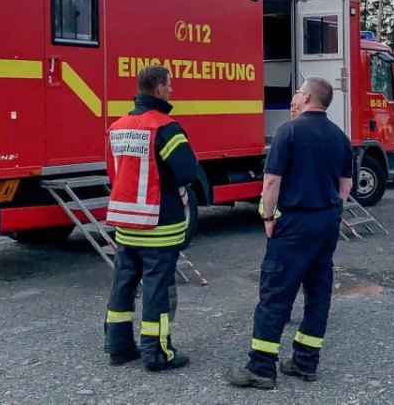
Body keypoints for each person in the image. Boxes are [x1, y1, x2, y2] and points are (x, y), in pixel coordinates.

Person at [226, 77, 355, 390]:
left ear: (307, 96)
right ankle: (305, 361)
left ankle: (260, 367)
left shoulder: (289, 130)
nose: (295, 96)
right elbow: (346, 187)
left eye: (298, 91)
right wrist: (329, 211)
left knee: (275, 294)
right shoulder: (340, 136)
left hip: (294, 224)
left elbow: (271, 182)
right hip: (326, 222)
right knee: (318, 292)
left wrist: (267, 216)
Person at [103, 65, 202, 371]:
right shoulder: (166, 127)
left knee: (123, 284)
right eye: (169, 85)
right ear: (159, 88)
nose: (171, 90)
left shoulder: (117, 126)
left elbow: (115, 172)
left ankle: (118, 347)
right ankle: (157, 353)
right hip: (159, 223)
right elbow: (187, 173)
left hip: (125, 220)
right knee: (157, 288)